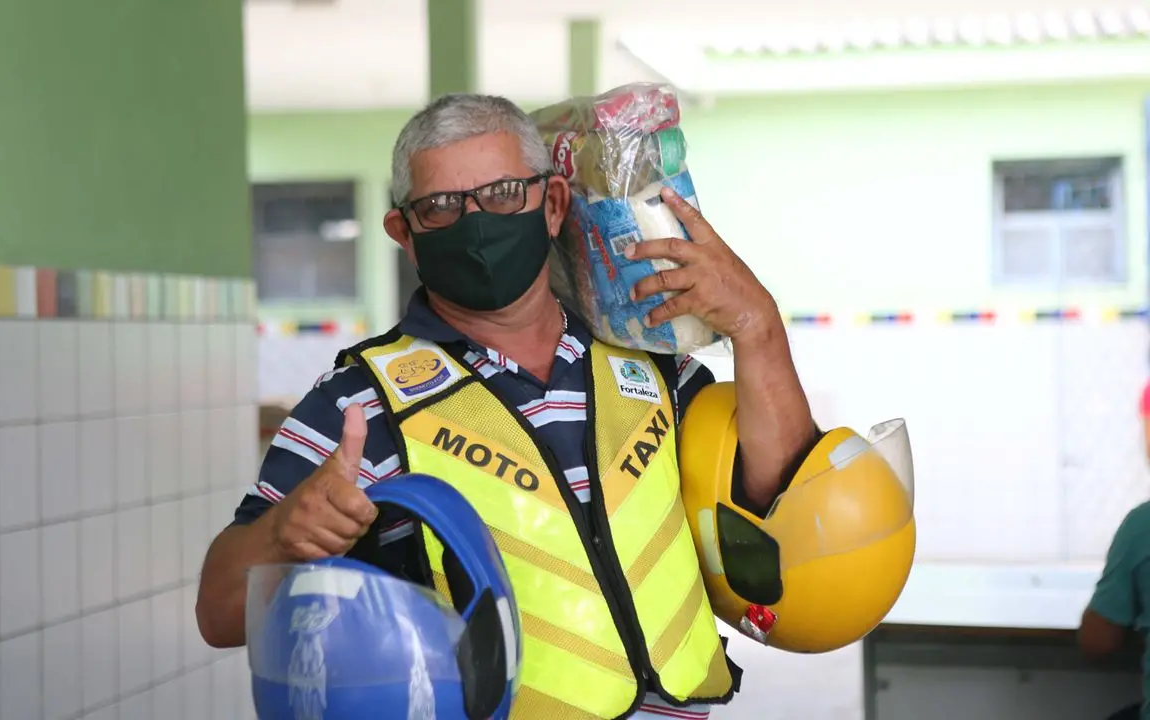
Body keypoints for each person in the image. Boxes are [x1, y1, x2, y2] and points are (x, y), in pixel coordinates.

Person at [197, 93, 818, 719]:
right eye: (441, 206)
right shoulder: (359, 403)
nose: (475, 223)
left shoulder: (652, 365)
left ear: (552, 206)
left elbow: (782, 497)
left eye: (502, 194)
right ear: (404, 234)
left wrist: (757, 325)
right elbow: (218, 612)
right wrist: (281, 535)